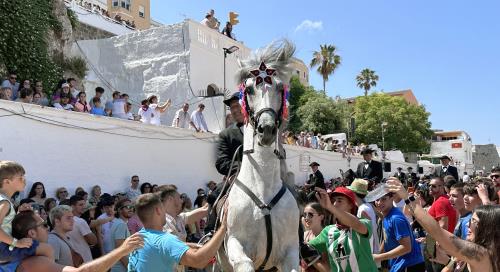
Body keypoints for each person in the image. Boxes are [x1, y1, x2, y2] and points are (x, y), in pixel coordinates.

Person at [386, 177, 500, 272]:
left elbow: (438, 231)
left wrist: (407, 198)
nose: (468, 225)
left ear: (487, 227)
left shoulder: (480, 254)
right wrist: (448, 261)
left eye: (474, 222)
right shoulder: (492, 250)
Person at [11, 210, 144, 272]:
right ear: (32, 233)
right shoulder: (34, 261)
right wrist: (121, 250)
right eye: (44, 224)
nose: (47, 228)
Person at [128, 193, 228, 271]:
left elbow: (162, 249)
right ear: (158, 210)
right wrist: (223, 227)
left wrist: (196, 246)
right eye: (163, 209)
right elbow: (199, 261)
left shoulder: (135, 238)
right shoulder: (165, 240)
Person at [307, 187, 378, 272]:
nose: (334, 204)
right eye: (333, 201)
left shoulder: (364, 223)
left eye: (339, 201)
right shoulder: (328, 231)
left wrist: (330, 207)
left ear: (351, 205)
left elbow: (354, 223)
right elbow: (305, 249)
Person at [0, 161, 54, 270]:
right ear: (7, 182)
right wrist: (17, 243)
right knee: (47, 249)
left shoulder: (4, 201)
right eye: (20, 177)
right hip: (3, 249)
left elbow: (5, 222)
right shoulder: (4, 203)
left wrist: (18, 212)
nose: (24, 180)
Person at [372, 191, 424, 271]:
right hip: (400, 264)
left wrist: (379, 257)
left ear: (392, 198)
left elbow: (406, 248)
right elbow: (387, 237)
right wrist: (379, 253)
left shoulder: (396, 219)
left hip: (409, 265)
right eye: (377, 199)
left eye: (384, 199)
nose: (379, 203)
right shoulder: (387, 215)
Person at [300, 202, 329, 272]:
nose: (306, 218)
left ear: (321, 217)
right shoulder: (305, 235)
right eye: (304, 214)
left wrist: (310, 257)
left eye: (310, 215)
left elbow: (328, 270)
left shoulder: (328, 237)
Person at [67, 195, 98, 262]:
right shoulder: (80, 221)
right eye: (80, 205)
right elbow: (93, 241)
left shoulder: (63, 220)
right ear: (72, 207)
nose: (84, 207)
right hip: (84, 260)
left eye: (84, 204)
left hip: (71, 261)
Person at [107, 198, 132, 272]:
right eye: (127, 207)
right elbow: (120, 251)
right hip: (121, 268)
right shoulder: (121, 225)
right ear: (119, 210)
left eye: (131, 207)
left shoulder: (118, 223)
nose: (130, 209)